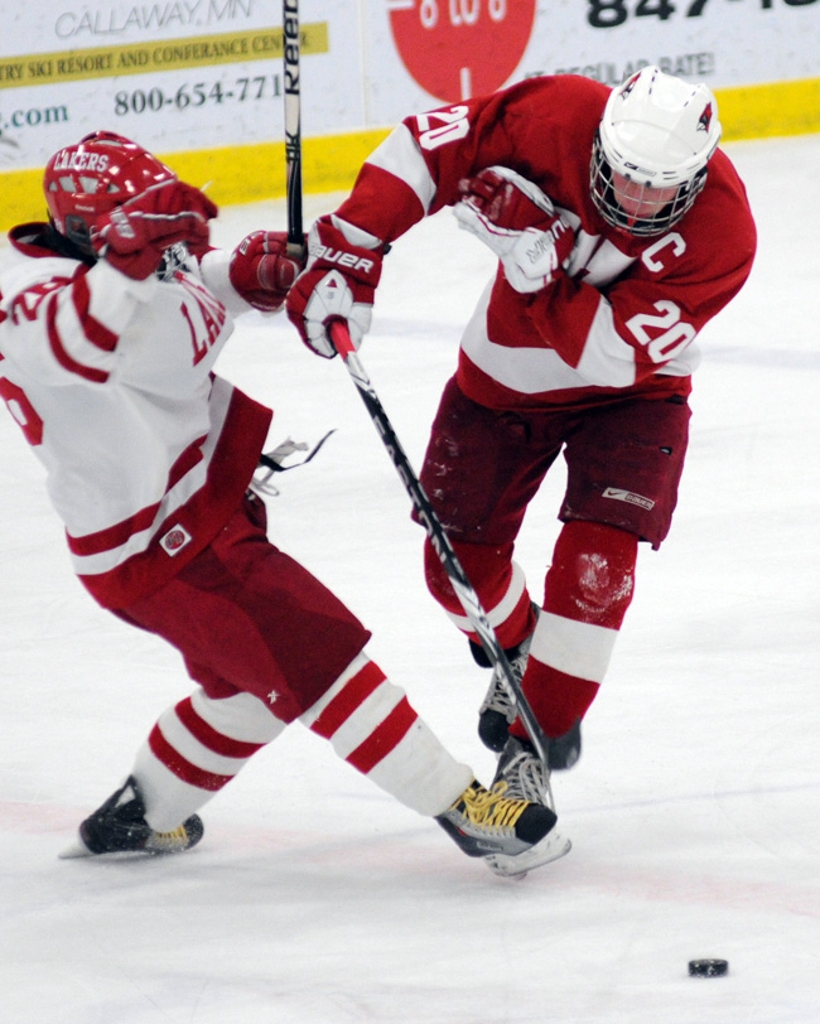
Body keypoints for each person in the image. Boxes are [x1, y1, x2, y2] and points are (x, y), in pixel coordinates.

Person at [0, 130, 570, 878]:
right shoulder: (27, 309)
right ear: (88, 233)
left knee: (248, 694)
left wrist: (254, 273)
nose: (162, 245)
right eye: (135, 226)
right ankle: (466, 810)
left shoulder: (138, 274)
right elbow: (86, 332)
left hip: (200, 518)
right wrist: (138, 255)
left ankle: (142, 813)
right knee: (316, 653)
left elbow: (186, 289)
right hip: (165, 551)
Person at [286, 67, 757, 809]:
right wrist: (352, 244)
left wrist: (536, 269)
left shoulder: (724, 231)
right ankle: (520, 651)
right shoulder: (560, 116)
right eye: (623, 176)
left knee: (597, 568)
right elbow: (428, 145)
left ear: (696, 176)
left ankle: (529, 747)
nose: (635, 201)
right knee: (456, 573)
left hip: (636, 396)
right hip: (502, 379)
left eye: (658, 187)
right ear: (600, 143)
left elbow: (607, 354)